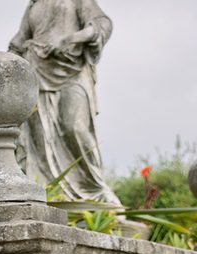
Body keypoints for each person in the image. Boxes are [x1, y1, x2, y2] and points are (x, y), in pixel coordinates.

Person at [9, 0, 119, 204]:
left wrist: (73, 38)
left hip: (73, 70)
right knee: (40, 137)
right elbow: (18, 42)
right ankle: (50, 193)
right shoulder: (34, 6)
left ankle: (94, 191)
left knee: (74, 127)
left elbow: (101, 23)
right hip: (38, 71)